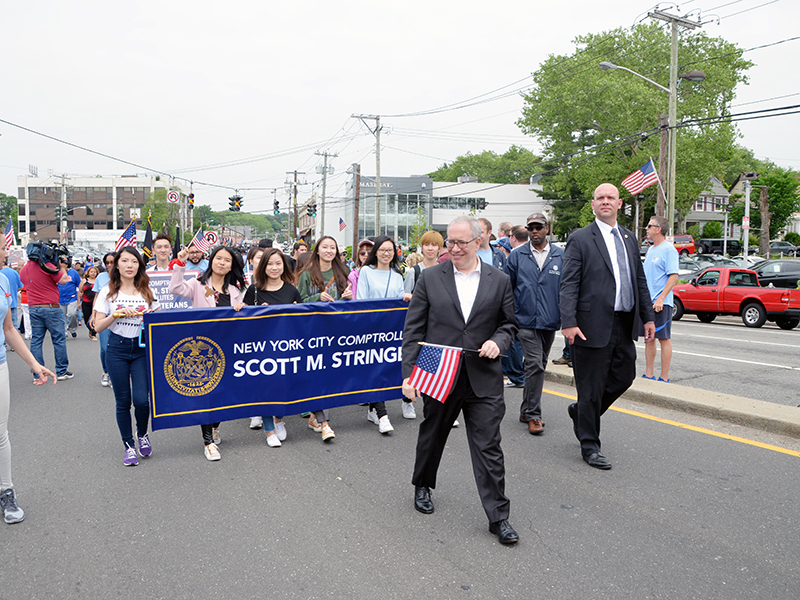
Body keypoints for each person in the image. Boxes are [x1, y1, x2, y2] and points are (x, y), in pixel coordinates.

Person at [402, 216, 520, 545]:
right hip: (436, 367)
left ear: (478, 241)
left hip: (483, 374)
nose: (453, 248)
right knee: (432, 434)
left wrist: (499, 341)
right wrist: (409, 374)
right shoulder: (429, 278)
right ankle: (422, 484)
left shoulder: (499, 279)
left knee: (488, 447)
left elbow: (509, 324)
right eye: (448, 242)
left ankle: (498, 517)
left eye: (460, 243)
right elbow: (414, 329)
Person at [560, 183, 655, 470]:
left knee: (624, 376)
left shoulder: (628, 238)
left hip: (624, 322)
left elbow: (639, 280)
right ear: (593, 204)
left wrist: (648, 317)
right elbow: (568, 284)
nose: (605, 201)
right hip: (589, 325)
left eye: (610, 198)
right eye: (600, 197)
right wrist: (568, 323)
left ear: (619, 203)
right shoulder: (580, 239)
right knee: (590, 388)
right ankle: (590, 445)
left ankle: (581, 414)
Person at [170, 245, 245, 461]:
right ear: (211, 260)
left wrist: (241, 308)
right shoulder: (197, 284)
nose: (222, 262)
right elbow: (175, 288)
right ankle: (208, 442)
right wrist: (180, 264)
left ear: (232, 265)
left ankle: (214, 425)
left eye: (227, 260)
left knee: (224, 393)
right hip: (204, 350)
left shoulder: (234, 290)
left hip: (229, 348)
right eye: (218, 258)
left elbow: (240, 318)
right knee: (208, 394)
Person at [0, 243, 58, 524]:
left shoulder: (3, 279)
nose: (5, 255)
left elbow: (9, 329)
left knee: (0, 435)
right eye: (1, 249)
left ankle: (6, 491)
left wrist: (35, 365)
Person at [93, 247, 160, 466]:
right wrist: (115, 314)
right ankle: (129, 445)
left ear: (140, 265)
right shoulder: (108, 292)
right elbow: (98, 327)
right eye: (125, 261)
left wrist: (152, 317)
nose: (130, 265)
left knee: (142, 400)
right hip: (117, 348)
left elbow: (161, 321)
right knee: (123, 401)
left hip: (141, 349)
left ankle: (142, 434)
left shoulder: (147, 291)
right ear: (116, 265)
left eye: (134, 261)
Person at [505, 213, 563, 435]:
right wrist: (509, 316)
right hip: (524, 320)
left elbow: (567, 288)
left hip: (549, 320)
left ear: (547, 228)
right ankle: (533, 415)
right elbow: (507, 288)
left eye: (539, 227)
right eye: (531, 228)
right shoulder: (517, 256)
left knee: (539, 365)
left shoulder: (560, 255)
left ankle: (524, 409)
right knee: (535, 365)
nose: (535, 231)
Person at [243, 248, 301, 446]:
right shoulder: (254, 290)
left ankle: (279, 420)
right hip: (261, 349)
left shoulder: (291, 290)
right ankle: (269, 430)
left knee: (284, 386)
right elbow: (244, 320)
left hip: (286, 349)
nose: (274, 268)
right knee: (265, 388)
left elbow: (302, 321)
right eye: (269, 264)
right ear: (262, 266)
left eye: (278, 263)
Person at [297, 236, 353, 441]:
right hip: (313, 331)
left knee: (327, 375)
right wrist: (316, 298)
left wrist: (348, 297)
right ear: (317, 250)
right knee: (317, 373)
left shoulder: (343, 272)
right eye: (325, 247)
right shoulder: (306, 274)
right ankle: (324, 422)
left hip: (336, 330)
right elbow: (299, 301)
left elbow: (352, 302)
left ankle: (314, 416)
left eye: (333, 247)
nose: (329, 250)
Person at [356, 236, 407, 434]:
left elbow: (401, 298)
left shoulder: (397, 274)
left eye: (390, 250)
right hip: (371, 329)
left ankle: (373, 410)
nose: (386, 253)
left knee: (384, 369)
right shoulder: (366, 272)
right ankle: (383, 415)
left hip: (392, 329)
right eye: (383, 249)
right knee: (375, 368)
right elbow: (361, 300)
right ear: (375, 251)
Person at [20, 247, 73, 381]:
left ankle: (38, 372)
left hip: (34, 307)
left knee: (36, 340)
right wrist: (61, 267)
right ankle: (61, 371)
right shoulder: (47, 266)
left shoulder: (24, 269)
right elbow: (63, 280)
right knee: (58, 340)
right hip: (51, 307)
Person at [641, 215, 679, 382]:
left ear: (658, 229)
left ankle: (664, 377)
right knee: (649, 338)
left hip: (661, 303)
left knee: (663, 338)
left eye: (649, 226)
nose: (646, 229)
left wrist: (661, 298)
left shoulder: (668, 250)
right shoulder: (651, 250)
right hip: (648, 302)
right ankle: (649, 374)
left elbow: (673, 276)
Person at [92, 253, 116, 387]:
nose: (109, 265)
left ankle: (114, 375)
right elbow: (97, 297)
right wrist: (93, 315)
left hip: (119, 319)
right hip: (104, 317)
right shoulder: (101, 277)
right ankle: (106, 371)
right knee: (104, 348)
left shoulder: (123, 277)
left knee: (116, 348)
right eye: (107, 262)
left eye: (112, 262)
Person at [58, 259, 81, 339]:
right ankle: (63, 332)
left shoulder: (73, 273)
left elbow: (79, 284)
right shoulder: (57, 272)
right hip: (60, 298)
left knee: (72, 314)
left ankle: (72, 328)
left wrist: (80, 295)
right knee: (61, 317)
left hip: (72, 297)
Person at [0, 260, 22, 340]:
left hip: (5, 302)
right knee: (14, 323)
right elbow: (20, 286)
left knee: (4, 324)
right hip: (13, 301)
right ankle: (13, 346)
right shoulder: (14, 272)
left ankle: (5, 343)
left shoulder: (2, 275)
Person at [80, 265, 100, 341]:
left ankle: (93, 333)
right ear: (88, 273)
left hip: (96, 302)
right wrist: (79, 302)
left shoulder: (98, 281)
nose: (93, 273)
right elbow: (80, 291)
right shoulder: (84, 281)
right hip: (86, 302)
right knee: (86, 319)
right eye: (91, 272)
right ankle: (90, 330)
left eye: (94, 272)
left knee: (94, 318)